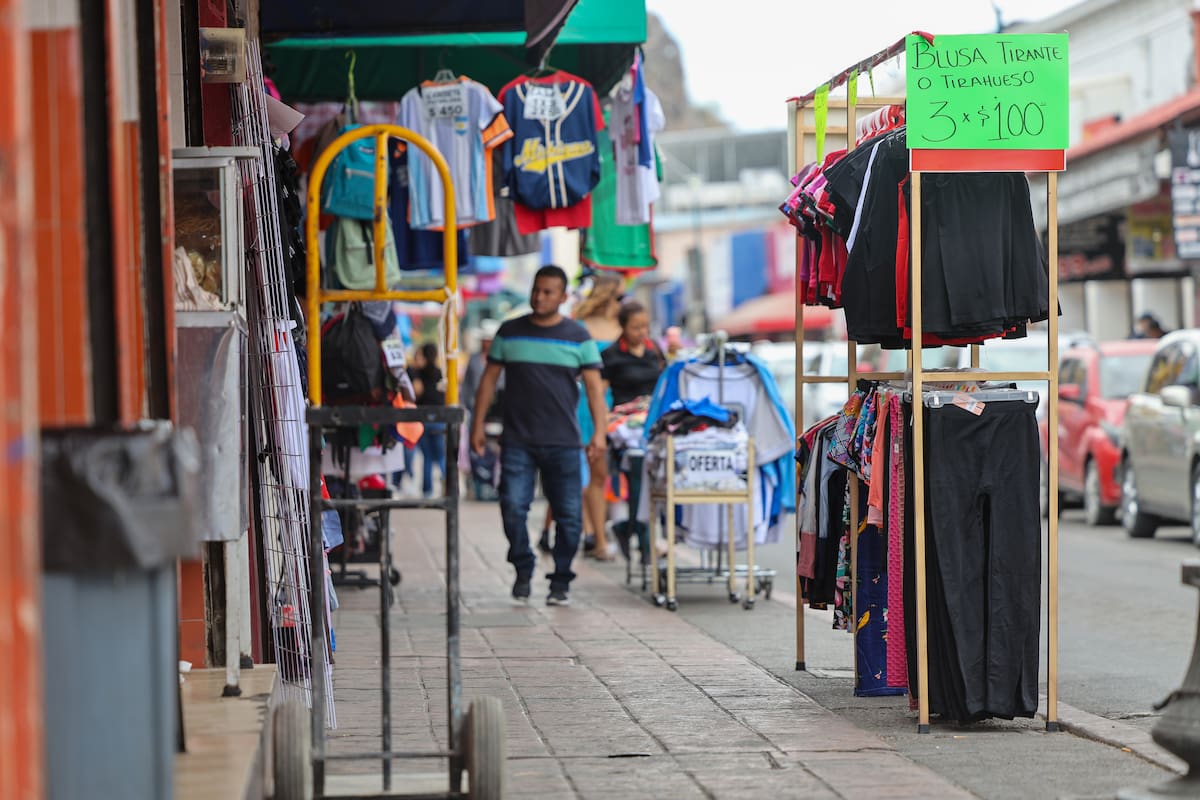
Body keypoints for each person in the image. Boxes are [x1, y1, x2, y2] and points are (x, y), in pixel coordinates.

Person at [471, 265, 607, 606]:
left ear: (562, 297)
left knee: (570, 516)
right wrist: (476, 425)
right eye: (536, 290)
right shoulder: (509, 332)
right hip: (517, 440)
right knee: (512, 507)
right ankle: (523, 564)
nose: (539, 297)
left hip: (564, 441)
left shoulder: (578, 336)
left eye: (548, 292)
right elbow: (488, 381)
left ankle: (561, 579)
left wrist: (600, 434)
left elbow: (594, 390)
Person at [572, 272, 623, 560]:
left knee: (609, 472)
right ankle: (596, 537)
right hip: (589, 403)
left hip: (619, 404)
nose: (621, 303)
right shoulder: (581, 326)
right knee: (595, 470)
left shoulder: (622, 325)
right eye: (619, 296)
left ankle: (596, 532)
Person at [603, 301, 665, 407]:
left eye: (645, 326)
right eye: (636, 328)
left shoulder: (654, 349)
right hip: (625, 417)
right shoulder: (611, 354)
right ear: (623, 327)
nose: (642, 332)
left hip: (653, 414)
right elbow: (599, 393)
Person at [410, 342, 446, 498]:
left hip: (422, 419)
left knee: (428, 457)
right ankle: (449, 486)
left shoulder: (417, 373)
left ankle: (427, 490)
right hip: (439, 418)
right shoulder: (441, 373)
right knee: (442, 456)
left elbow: (416, 392)